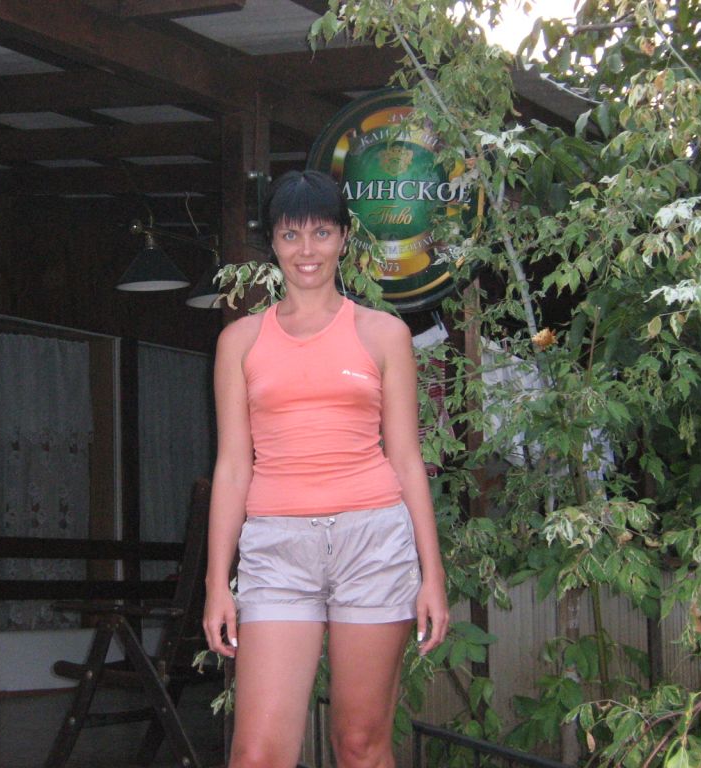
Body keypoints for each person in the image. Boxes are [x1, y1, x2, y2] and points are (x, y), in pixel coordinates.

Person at [202, 169, 450, 768]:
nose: (306, 250)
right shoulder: (240, 341)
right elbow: (232, 468)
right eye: (290, 235)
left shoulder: (385, 333)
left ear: (343, 237)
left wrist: (432, 575)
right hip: (276, 551)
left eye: (320, 232)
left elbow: (406, 458)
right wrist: (216, 584)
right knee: (256, 754)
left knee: (360, 744)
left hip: (373, 544)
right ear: (273, 244)